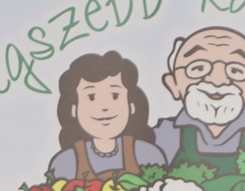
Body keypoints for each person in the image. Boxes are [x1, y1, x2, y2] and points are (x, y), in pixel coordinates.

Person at [147, 26, 245, 174]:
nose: (217, 80)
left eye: (236, 70)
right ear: (173, 84)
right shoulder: (162, 137)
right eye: (198, 68)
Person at [44, 51, 167, 182]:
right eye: (91, 97)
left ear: (132, 106)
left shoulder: (148, 155)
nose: (104, 107)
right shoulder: (65, 162)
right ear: (73, 109)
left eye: (115, 96)